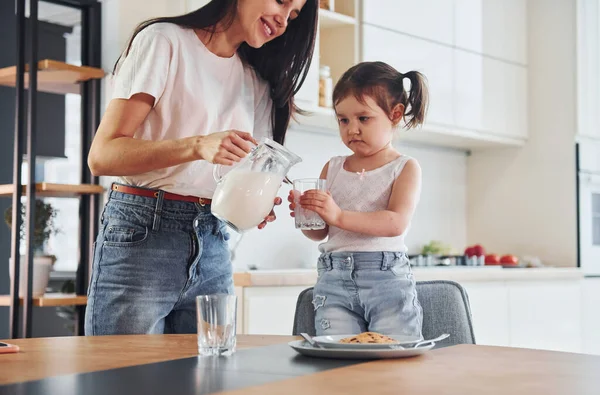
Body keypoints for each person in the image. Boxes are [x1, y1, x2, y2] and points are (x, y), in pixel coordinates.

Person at [85, 0, 318, 335]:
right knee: (122, 378)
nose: (283, 19)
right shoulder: (165, 41)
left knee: (211, 379)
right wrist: (197, 146)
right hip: (143, 237)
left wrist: (257, 204)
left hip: (213, 242)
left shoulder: (258, 83)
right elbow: (103, 155)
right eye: (281, 1)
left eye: (293, 15)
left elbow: (237, 177)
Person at [288, 61, 429, 337]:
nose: (352, 129)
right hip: (333, 280)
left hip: (386, 280)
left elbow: (395, 223)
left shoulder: (405, 167)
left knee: (393, 358)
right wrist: (309, 215)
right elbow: (321, 234)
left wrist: (338, 215)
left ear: (395, 114)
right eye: (343, 120)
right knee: (339, 359)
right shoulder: (334, 167)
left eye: (363, 118)